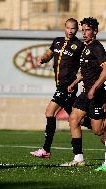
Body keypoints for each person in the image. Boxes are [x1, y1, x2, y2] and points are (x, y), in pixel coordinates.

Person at [60, 17, 106, 167]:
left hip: (96, 94)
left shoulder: (97, 47)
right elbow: (87, 71)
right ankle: (78, 158)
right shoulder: (84, 47)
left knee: (98, 131)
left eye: (87, 30)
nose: (84, 33)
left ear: (95, 31)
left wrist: (94, 87)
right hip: (85, 93)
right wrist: (75, 82)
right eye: (83, 30)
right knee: (73, 120)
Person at [30, 18, 85, 159]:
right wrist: (42, 59)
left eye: (73, 29)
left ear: (76, 30)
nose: (70, 31)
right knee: (77, 118)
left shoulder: (79, 45)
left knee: (50, 112)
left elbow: (85, 67)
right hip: (61, 85)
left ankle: (46, 149)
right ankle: (102, 127)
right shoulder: (57, 41)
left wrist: (80, 81)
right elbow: (49, 54)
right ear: (64, 28)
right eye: (68, 28)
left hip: (68, 86)